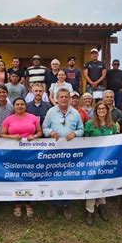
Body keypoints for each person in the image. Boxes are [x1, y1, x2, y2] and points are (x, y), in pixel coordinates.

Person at [43, 88, 84, 221]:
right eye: (61, 97)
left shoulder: (75, 113)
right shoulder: (51, 112)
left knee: (68, 177)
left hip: (70, 152)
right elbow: (44, 128)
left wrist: (75, 133)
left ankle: (66, 205)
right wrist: (50, 132)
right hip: (54, 152)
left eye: (66, 97)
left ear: (70, 98)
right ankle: (53, 204)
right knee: (53, 177)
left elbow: (81, 129)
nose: (64, 99)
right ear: (57, 98)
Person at [0, 98, 43, 217]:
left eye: (22, 104)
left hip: (30, 152)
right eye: (17, 104)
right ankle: (17, 204)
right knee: (16, 177)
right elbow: (1, 134)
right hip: (14, 152)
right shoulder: (9, 119)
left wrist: (34, 136)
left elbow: (40, 132)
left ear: (25, 106)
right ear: (14, 106)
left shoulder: (33, 117)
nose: (20, 106)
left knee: (29, 176)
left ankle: (29, 203)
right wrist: (12, 137)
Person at [83, 101, 118, 225]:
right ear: (96, 111)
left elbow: (117, 141)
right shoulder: (89, 124)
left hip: (107, 160)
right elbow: (84, 141)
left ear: (107, 111)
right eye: (99, 109)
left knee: (103, 182)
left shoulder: (112, 126)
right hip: (92, 160)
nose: (102, 111)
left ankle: (101, 205)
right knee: (92, 182)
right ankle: (90, 209)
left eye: (104, 109)